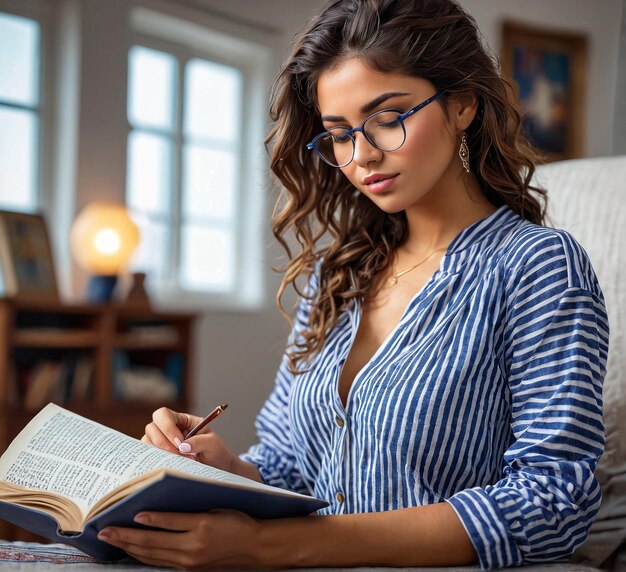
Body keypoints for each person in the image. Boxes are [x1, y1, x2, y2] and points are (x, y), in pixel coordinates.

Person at [97, 0, 609, 568]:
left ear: (462, 103)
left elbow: (553, 501)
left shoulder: (538, 267)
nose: (361, 155)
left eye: (387, 117)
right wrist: (220, 468)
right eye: (339, 135)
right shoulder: (338, 274)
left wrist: (271, 547)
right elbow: (291, 465)